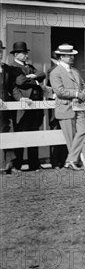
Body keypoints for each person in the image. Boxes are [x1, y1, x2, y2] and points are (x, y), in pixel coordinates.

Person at [49, 44, 85, 171]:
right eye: (68, 55)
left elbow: (82, 84)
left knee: (83, 131)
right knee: (70, 138)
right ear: (61, 57)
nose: (71, 57)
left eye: (72, 55)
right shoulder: (55, 72)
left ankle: (70, 160)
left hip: (79, 106)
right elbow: (59, 91)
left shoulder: (75, 71)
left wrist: (83, 91)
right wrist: (76, 94)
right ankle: (72, 162)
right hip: (65, 108)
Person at [10, 41, 44, 171]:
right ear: (16, 55)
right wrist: (35, 81)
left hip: (35, 106)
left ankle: (33, 164)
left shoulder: (29, 66)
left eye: (25, 53)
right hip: (23, 106)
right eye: (23, 53)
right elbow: (20, 81)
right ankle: (17, 164)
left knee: (34, 134)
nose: (26, 55)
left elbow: (42, 74)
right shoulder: (13, 67)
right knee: (21, 135)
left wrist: (33, 76)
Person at [0, 40, 17, 174]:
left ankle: (9, 165)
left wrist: (20, 98)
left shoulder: (6, 69)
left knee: (6, 133)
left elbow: (12, 87)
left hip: (6, 107)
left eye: (0, 51)